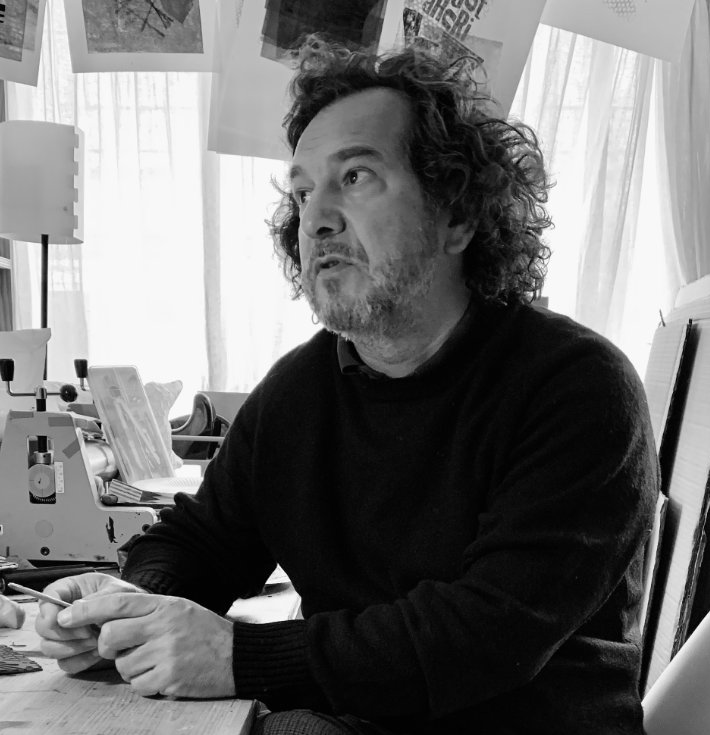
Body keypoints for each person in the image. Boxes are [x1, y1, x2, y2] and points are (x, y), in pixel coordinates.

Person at [35, 37, 659, 735]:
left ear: (458, 215)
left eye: (356, 176)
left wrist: (238, 656)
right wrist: (127, 605)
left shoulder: (579, 389)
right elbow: (201, 541)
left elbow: (485, 634)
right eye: (303, 192)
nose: (315, 218)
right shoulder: (298, 391)